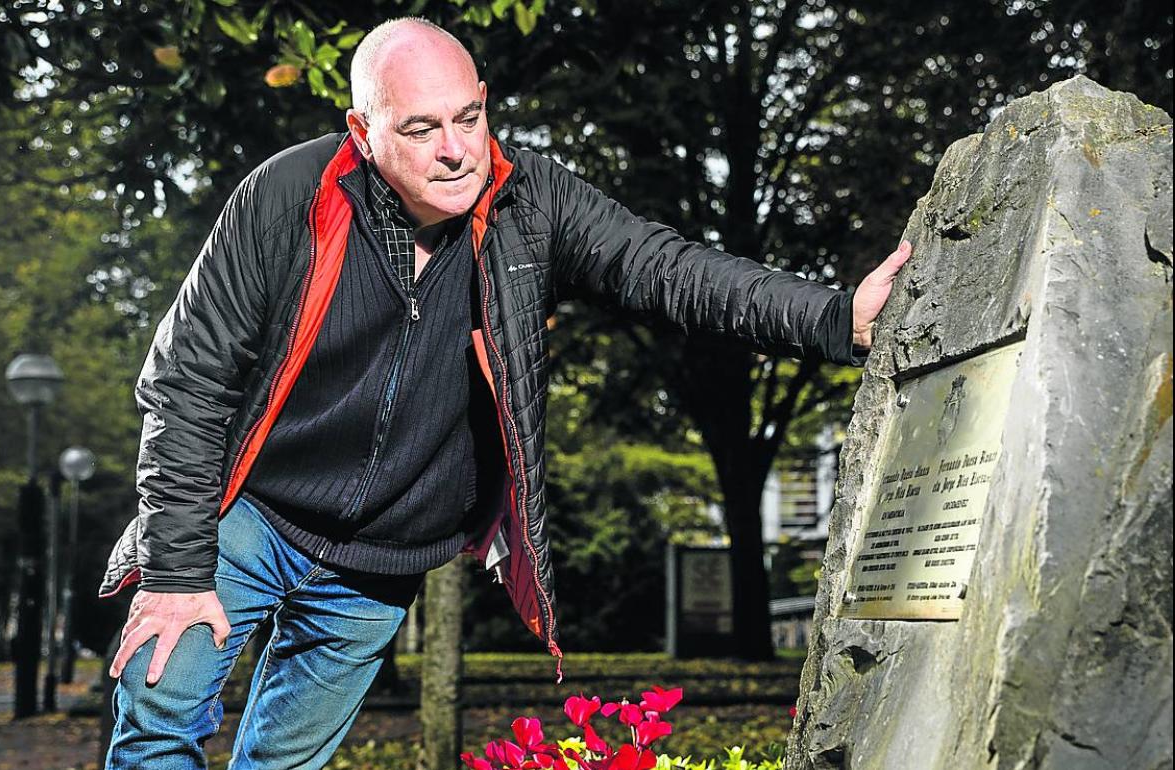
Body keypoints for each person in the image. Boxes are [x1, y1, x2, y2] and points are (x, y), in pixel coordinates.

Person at [98, 16, 911, 770]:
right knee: (162, 701)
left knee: (285, 762)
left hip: (383, 554)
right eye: (420, 129)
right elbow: (187, 381)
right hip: (252, 512)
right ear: (363, 132)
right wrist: (175, 573)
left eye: (468, 118)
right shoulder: (287, 196)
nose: (455, 150)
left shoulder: (532, 201)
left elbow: (670, 269)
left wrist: (838, 321)